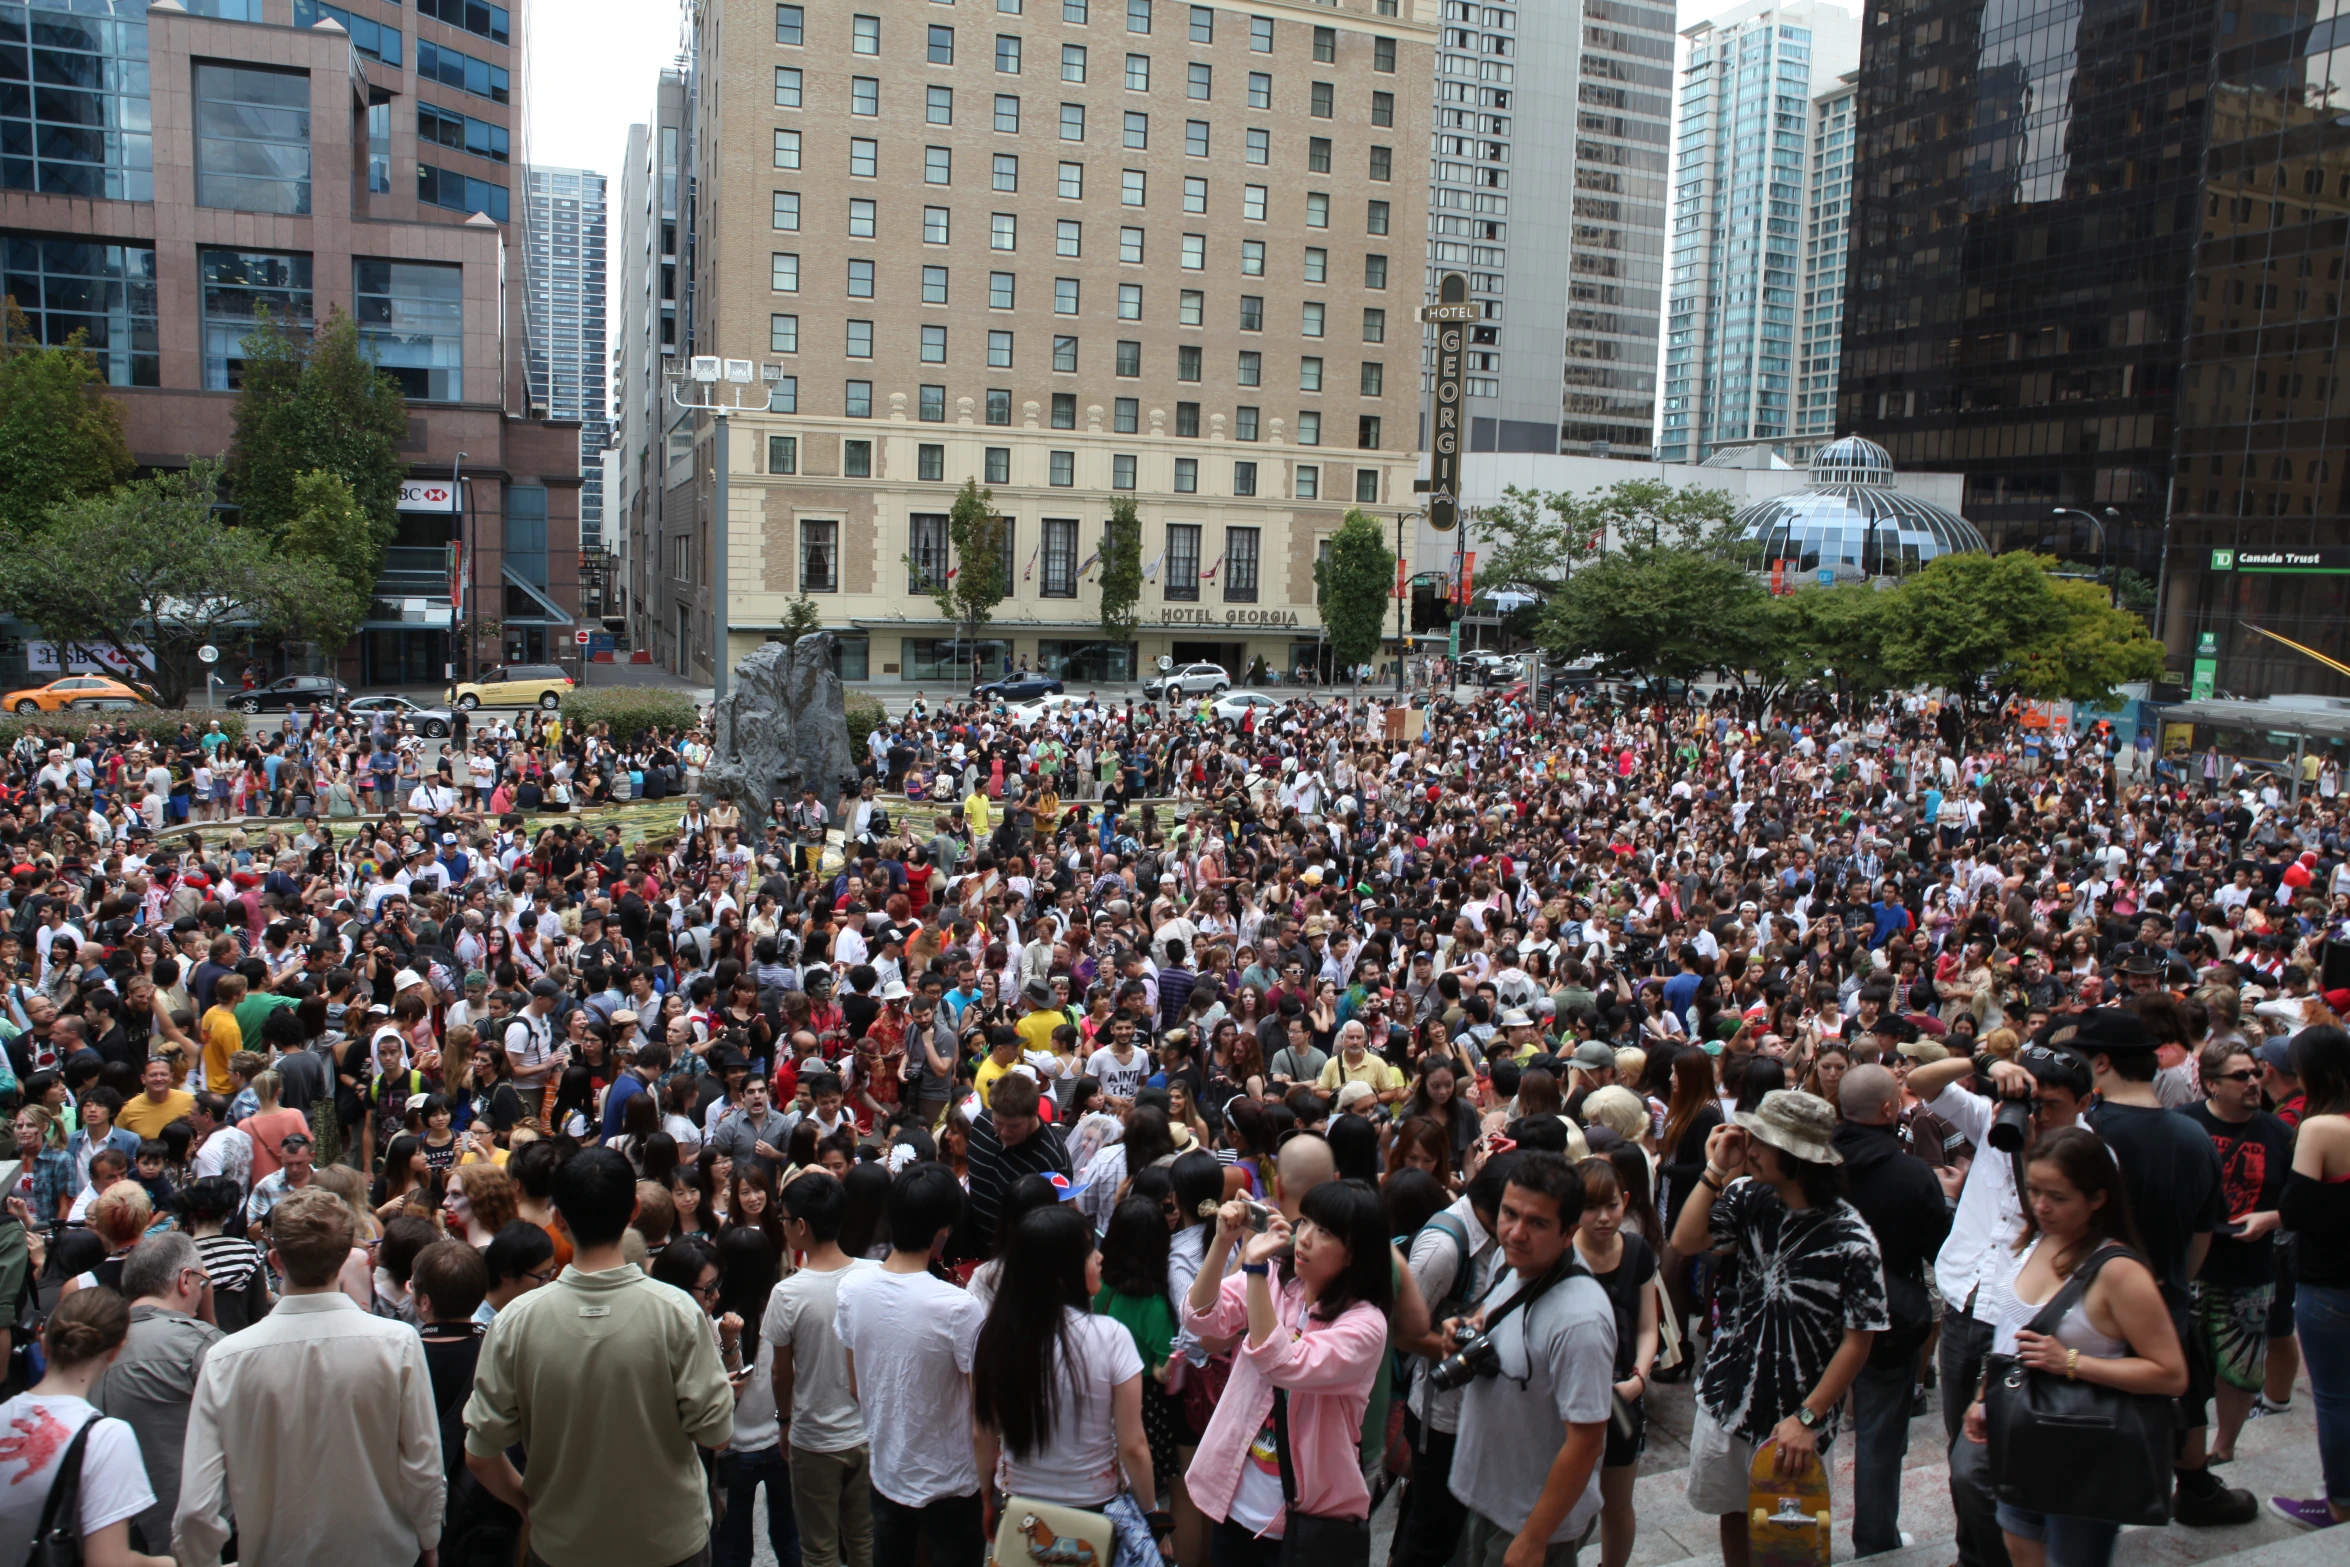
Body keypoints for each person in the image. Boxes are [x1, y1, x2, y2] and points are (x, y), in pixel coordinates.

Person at [463, 1146, 738, 1567]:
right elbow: (716, 1433)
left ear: (559, 1220)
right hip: (668, 1542)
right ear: (633, 1210)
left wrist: (529, 1505)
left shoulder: (515, 1321)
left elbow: (481, 1453)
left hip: (563, 1545)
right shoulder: (678, 1311)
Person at [1667, 1089, 1887, 1567]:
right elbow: (1685, 1240)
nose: (1751, 1148)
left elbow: (1859, 1339)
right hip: (1730, 1395)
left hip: (1797, 1414)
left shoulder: (1852, 1240)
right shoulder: (1748, 1195)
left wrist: (1808, 1418)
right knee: (1732, 1508)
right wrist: (1714, 1171)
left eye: (1763, 1142)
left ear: (1797, 1158)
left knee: (1791, 1539)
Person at [174, 1186, 445, 1567]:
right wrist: (429, 1540)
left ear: (275, 1260)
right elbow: (423, 1464)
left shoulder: (225, 1359)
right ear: (344, 1259)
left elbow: (196, 1508)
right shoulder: (398, 1343)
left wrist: (202, 1559)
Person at [1957, 1127, 2189, 1567]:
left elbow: (2171, 1373)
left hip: (2084, 1446)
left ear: (2097, 1198)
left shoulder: (2119, 1271)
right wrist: (1983, 1396)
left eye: (2058, 1197)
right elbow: (2013, 1331)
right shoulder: (2038, 1236)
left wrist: (2071, 1362)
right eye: (2034, 1190)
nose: (2041, 1206)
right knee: (2019, 1549)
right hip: (2021, 1432)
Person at [1906, 1037, 2092, 1567]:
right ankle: (1974, 1553)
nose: (2037, 1115)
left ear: (2084, 1102)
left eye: (2051, 1105)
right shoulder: (1996, 1119)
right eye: (2033, 1100)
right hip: (1966, 1303)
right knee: (1961, 1450)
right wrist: (1986, 1064)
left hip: (2027, 1326)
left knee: (1992, 1460)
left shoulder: (2094, 1158)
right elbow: (1920, 1083)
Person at [2070, 1010, 2245, 1525]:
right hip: (2167, 1294)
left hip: (2085, 1305)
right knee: (2181, 1387)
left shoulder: (2086, 1134)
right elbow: (2201, 1238)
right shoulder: (2196, 1138)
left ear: (2101, 1063)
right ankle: (2194, 1486)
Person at [1182, 1178, 1392, 1567]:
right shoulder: (1281, 1283)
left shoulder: (1365, 1324)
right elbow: (1200, 1317)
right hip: (1234, 1501)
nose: (1306, 1237)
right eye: (1306, 1222)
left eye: (1325, 1231)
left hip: (1304, 1520)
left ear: (1354, 1255)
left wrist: (1257, 1268)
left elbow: (1282, 1364)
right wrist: (1223, 1243)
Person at [971, 1204, 1169, 1562]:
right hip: (1093, 1509)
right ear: (1060, 1273)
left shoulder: (993, 1336)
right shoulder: (1110, 1336)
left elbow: (982, 1432)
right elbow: (1134, 1445)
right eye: (1089, 1251)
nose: (1100, 1257)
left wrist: (987, 1495)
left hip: (1018, 1506)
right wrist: (1152, 1514)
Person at [835, 1162, 985, 1567]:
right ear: (941, 1230)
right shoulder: (958, 1307)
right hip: (952, 1483)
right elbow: (982, 1412)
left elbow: (854, 1387)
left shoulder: (852, 1289)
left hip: (887, 1472)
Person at [1832, 1063, 1952, 1557]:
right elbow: (1938, 1246)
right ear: (1888, 1109)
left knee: (1805, 1424)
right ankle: (1876, 1537)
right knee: (1880, 1436)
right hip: (1888, 1319)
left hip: (1818, 1315)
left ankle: (1794, 1532)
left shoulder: (1815, 1166)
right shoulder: (1912, 1174)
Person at [1393, 1154, 1512, 1567]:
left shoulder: (1496, 1237)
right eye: (1515, 1214)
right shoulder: (1444, 1248)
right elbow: (1400, 1330)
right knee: (1433, 1533)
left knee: (1433, 1519)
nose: (1521, 1228)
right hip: (1440, 1416)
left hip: (1475, 1412)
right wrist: (1449, 1347)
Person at [0, 1286, 174, 1567]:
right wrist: (164, 1563)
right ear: (116, 1351)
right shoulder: (106, 1438)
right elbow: (109, 1562)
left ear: (44, 1343)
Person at [2177, 1036, 2289, 1466]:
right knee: (2183, 1363)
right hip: (2189, 1266)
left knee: (2240, 1370)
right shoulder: (2183, 1125)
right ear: (2210, 1085)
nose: (2253, 1083)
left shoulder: (2279, 1132)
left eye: (2256, 1073)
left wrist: (2270, 1219)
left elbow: (2301, 1200)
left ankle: (2223, 1447)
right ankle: (2184, 1448)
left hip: (2250, 1269)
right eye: (2240, 1076)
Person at [770, 1170, 880, 1567]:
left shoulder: (787, 1293)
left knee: (818, 1548)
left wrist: (784, 1421)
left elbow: (782, 1374)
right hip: (866, 1431)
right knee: (864, 1536)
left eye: (784, 1219)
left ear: (801, 1226)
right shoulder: (874, 1275)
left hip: (814, 1436)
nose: (782, 1227)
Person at [92, 1232, 222, 1558]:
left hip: (111, 1537)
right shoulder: (200, 1344)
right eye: (203, 1282)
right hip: (196, 1537)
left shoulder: (90, 1346)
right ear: (185, 1280)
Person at [2271, 1023, 2350, 1530]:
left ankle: (2340, 1501)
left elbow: (2295, 1209)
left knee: (2335, 1397)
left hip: (2329, 1284)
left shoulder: (2320, 1129)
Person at [1569, 1155, 1657, 1567]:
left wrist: (1639, 1378)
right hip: (1569, 1400)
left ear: (1625, 1201)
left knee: (1618, 1503)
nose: (1603, 1218)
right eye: (1591, 1208)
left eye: (1611, 1206)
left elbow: (1647, 1326)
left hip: (1622, 1398)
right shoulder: (1560, 1256)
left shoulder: (1637, 1251)